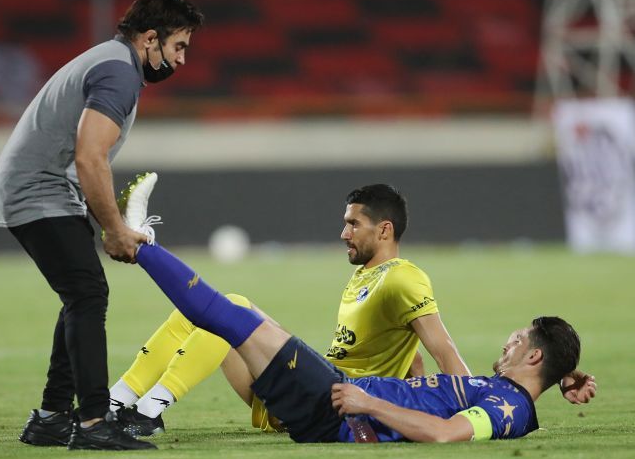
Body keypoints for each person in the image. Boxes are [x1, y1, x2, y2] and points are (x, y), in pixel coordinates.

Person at [109, 179, 596, 437]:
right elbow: (412, 360)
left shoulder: (403, 277)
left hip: (327, 397)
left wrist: (475, 394)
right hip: (316, 386)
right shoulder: (366, 276)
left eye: (353, 224)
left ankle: (151, 409)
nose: (344, 232)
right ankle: (117, 402)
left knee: (231, 309)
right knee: (206, 316)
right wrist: (557, 372)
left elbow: (443, 352)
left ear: (384, 230)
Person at [0, 0, 203, 451]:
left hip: (40, 185)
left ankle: (51, 418)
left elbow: (84, 157)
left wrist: (115, 222)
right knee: (87, 294)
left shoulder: (112, 61)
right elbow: (90, 157)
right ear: (150, 39)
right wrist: (114, 229)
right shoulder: (119, 71)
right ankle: (91, 423)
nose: (182, 59)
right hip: (39, 188)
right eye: (179, 46)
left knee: (81, 293)